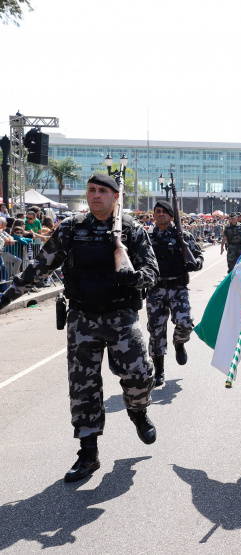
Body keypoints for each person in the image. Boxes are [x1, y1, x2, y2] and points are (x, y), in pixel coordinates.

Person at [0, 173, 159, 482]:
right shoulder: (71, 229)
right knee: (83, 387)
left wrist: (135, 278)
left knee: (140, 375)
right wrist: (6, 297)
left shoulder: (131, 229)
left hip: (121, 316)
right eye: (91, 190)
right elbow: (39, 267)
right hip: (82, 318)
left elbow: (152, 271)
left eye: (102, 191)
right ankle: (88, 453)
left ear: (115, 197)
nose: (95, 195)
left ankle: (138, 411)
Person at [146, 200, 204, 387]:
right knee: (156, 332)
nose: (160, 214)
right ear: (153, 215)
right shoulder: (146, 237)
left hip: (178, 288)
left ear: (172, 216)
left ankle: (179, 343)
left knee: (185, 323)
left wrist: (195, 263)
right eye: (157, 211)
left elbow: (199, 256)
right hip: (155, 289)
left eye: (164, 212)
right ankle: (159, 372)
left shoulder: (182, 235)